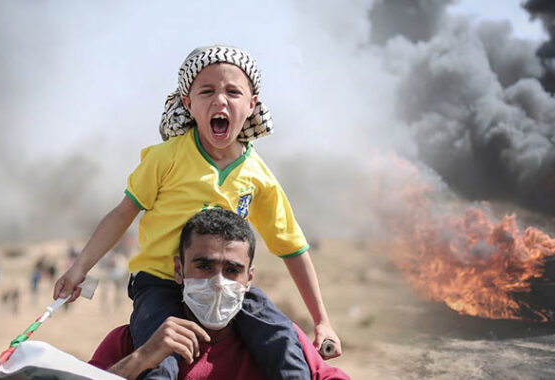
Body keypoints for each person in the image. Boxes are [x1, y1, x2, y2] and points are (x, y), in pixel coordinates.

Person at [54, 45, 341, 379]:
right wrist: (79, 268)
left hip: (225, 284)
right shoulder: (166, 158)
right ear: (188, 104)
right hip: (160, 283)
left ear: (252, 105)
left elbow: (293, 247)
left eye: (233, 92)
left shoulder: (259, 177)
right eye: (207, 91)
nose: (220, 100)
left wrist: (322, 320)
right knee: (161, 358)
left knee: (280, 337)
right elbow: (122, 214)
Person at [89, 209, 349, 379]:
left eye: (232, 270)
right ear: (179, 270)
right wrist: (140, 359)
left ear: (249, 278)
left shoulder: (279, 339)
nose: (217, 283)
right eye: (204, 266)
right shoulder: (132, 341)